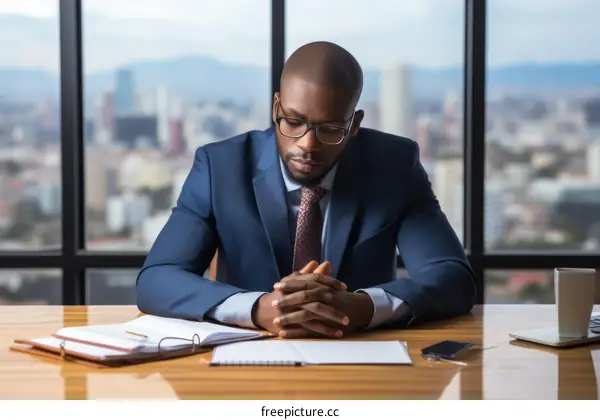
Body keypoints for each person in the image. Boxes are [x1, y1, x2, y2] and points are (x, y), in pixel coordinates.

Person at [136, 41, 476, 339]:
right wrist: (257, 309)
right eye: (294, 122)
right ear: (275, 109)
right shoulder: (220, 167)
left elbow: (453, 278)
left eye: (330, 129)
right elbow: (157, 280)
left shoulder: (395, 166)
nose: (308, 145)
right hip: (244, 361)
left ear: (354, 124)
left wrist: (363, 307)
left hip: (361, 359)